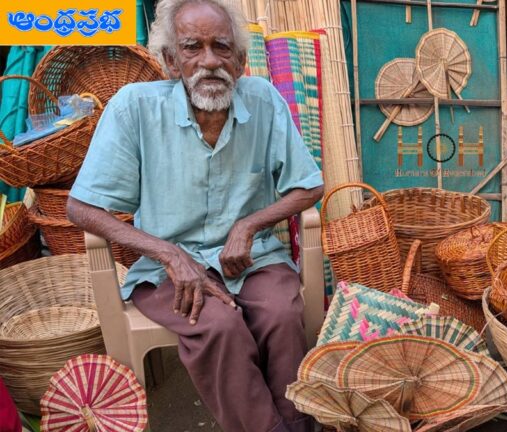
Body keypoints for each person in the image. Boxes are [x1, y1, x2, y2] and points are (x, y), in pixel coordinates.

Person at [66, 0, 323, 431]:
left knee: (281, 314)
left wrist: (249, 224)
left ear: (240, 61)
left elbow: (309, 185)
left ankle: (300, 424)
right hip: (167, 270)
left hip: (254, 258)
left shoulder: (263, 101)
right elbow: (80, 207)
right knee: (219, 327)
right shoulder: (134, 108)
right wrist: (168, 254)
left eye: (222, 47)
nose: (209, 61)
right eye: (192, 47)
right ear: (170, 61)